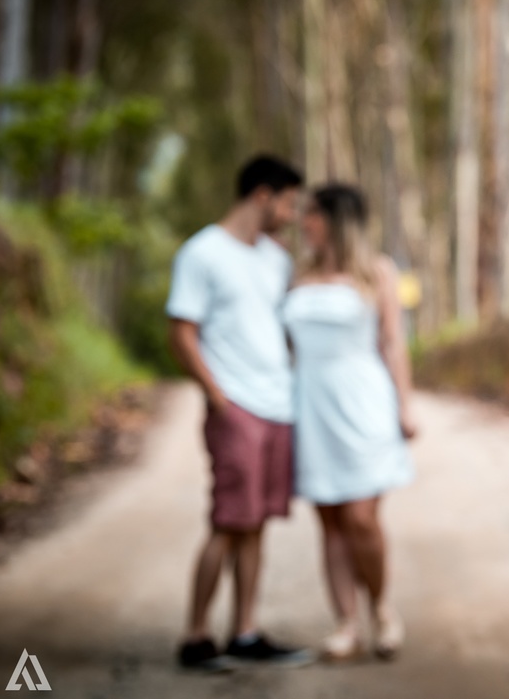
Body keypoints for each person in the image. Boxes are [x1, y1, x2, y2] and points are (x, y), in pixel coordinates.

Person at [166, 154, 312, 670]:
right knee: (229, 521)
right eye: (289, 203)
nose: (292, 214)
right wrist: (217, 397)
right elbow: (182, 331)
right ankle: (196, 635)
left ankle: (245, 632)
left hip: (277, 407)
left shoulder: (275, 259)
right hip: (236, 408)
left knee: (254, 524)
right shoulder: (202, 253)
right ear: (263, 196)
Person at [282, 184, 417, 660]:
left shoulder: (376, 271)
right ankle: (345, 622)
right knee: (330, 523)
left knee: (361, 518)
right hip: (309, 406)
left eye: (312, 215)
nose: (304, 223)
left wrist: (404, 405)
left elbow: (392, 342)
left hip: (363, 402)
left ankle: (381, 608)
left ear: (338, 219)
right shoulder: (297, 275)